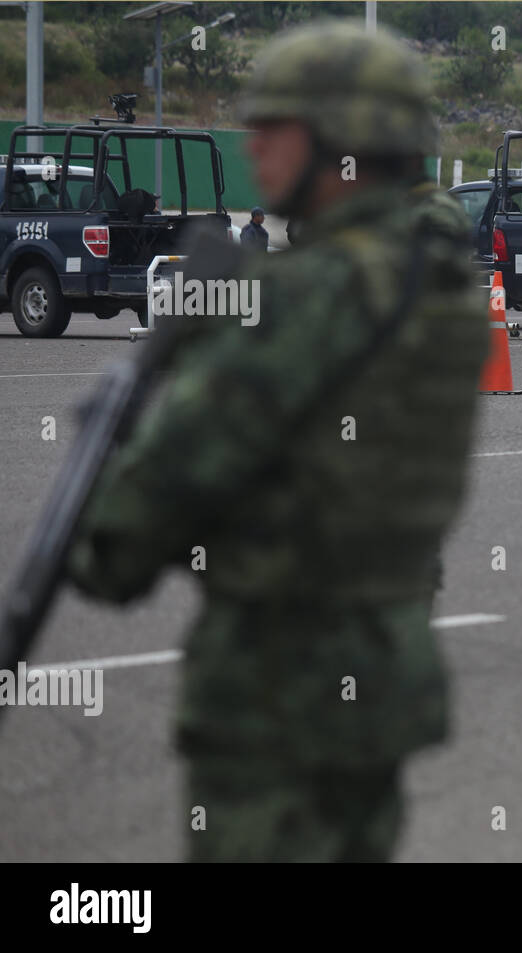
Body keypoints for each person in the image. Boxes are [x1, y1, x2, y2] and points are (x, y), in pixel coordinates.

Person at [66, 21, 488, 862]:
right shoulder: (435, 283)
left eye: (275, 127)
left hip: (275, 692)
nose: (253, 146)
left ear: (344, 142)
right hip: (379, 675)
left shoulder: (306, 299)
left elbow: (117, 546)